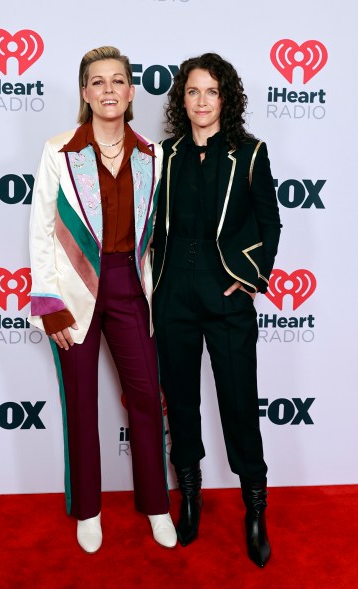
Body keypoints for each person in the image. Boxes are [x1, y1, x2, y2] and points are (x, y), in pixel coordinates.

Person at [28, 46, 177, 553]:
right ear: (85, 92)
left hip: (130, 288)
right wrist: (49, 305)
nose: (109, 89)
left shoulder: (154, 155)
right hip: (74, 290)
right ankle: (87, 511)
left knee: (145, 399)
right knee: (81, 403)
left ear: (132, 92)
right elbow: (41, 231)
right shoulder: (59, 150)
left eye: (118, 81)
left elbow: (160, 236)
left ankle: (157, 505)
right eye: (98, 81)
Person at [152, 52, 282, 567]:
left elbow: (269, 223)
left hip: (226, 291)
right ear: (180, 99)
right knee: (180, 403)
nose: (201, 101)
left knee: (237, 400)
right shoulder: (163, 154)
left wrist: (250, 279)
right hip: (172, 294)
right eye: (192, 91)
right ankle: (189, 496)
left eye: (211, 91)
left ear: (225, 98)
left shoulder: (249, 153)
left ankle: (255, 509)